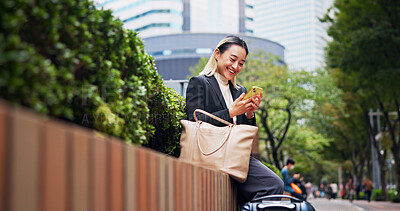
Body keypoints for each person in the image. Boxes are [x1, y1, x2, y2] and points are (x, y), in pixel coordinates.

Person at [185, 35, 284, 207]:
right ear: (217, 54)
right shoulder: (200, 83)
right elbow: (194, 119)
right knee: (272, 185)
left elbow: (244, 132)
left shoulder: (240, 91)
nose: (236, 66)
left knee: (274, 184)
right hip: (211, 152)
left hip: (237, 155)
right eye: (232, 59)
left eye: (241, 63)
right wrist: (231, 112)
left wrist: (249, 114)